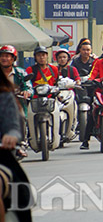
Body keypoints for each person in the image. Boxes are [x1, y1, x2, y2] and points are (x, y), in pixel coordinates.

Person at [0, 66, 33, 222]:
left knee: (21, 190)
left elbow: (13, 125)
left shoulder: (4, 95)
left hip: (1, 156)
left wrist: (11, 136)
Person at [0, 46, 31, 159]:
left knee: (21, 117)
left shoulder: (20, 73)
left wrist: (26, 91)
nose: (4, 58)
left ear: (13, 59)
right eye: (2, 56)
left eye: (7, 56)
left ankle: (20, 145)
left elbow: (27, 86)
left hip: (15, 105)